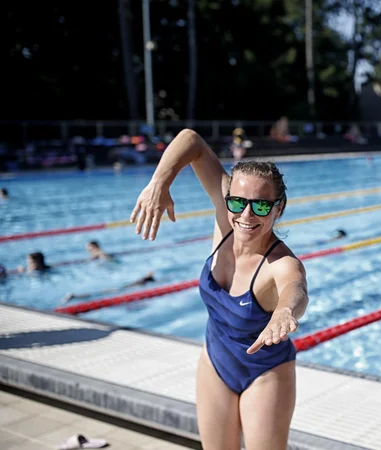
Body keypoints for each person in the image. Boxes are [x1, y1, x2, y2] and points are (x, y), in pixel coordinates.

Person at [129, 129, 309, 449]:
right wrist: (159, 183)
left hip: (265, 373)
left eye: (261, 206)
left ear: (278, 208)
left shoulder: (280, 263)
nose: (246, 214)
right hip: (215, 362)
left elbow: (295, 288)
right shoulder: (226, 222)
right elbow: (191, 140)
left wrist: (284, 312)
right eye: (237, 202)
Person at [60, 272, 156, 304]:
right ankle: (75, 297)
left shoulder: (138, 283)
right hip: (118, 290)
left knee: (97, 294)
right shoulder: (139, 284)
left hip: (119, 289)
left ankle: (76, 297)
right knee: (97, 295)